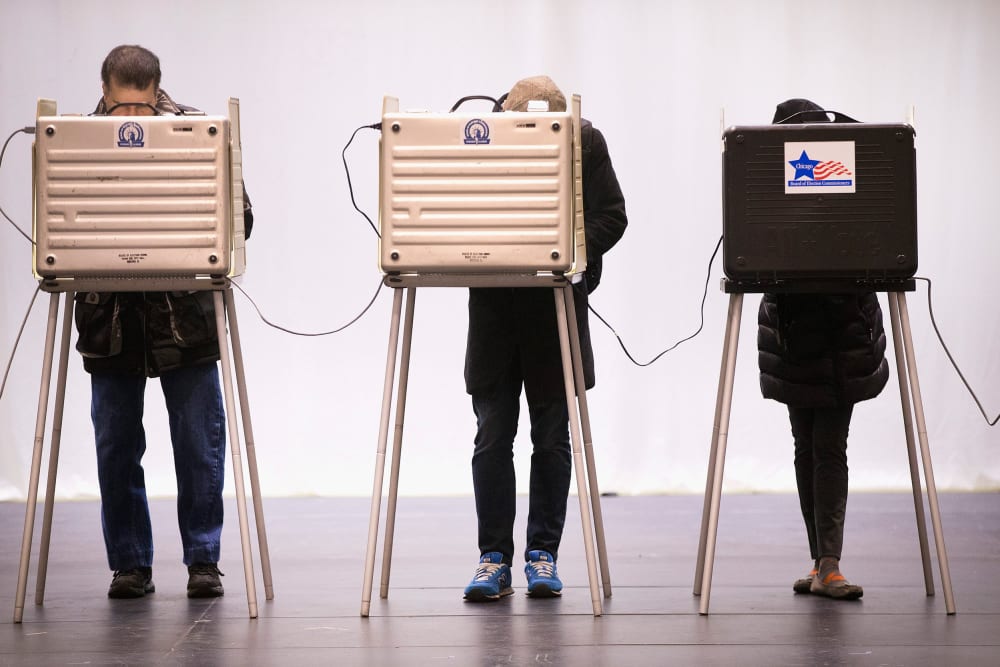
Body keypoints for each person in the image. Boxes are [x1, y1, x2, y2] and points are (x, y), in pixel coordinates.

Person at [73, 44, 254, 599]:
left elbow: (242, 218)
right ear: (104, 94)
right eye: (120, 108)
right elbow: (57, 223)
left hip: (185, 318)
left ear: (159, 94)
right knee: (115, 446)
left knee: (199, 444)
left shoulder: (198, 134)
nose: (131, 119)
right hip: (111, 320)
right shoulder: (74, 142)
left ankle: (203, 560)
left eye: (142, 107)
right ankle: (129, 565)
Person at [462, 76, 628, 601]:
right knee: (492, 438)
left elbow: (613, 216)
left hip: (554, 312)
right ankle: (493, 557)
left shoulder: (587, 142)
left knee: (552, 440)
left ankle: (542, 555)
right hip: (494, 316)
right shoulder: (480, 141)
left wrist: (564, 251)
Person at [757, 98, 888, 601]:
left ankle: (829, 563)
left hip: (841, 338)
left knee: (827, 445)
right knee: (806, 446)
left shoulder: (851, 177)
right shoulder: (767, 182)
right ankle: (820, 562)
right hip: (794, 334)